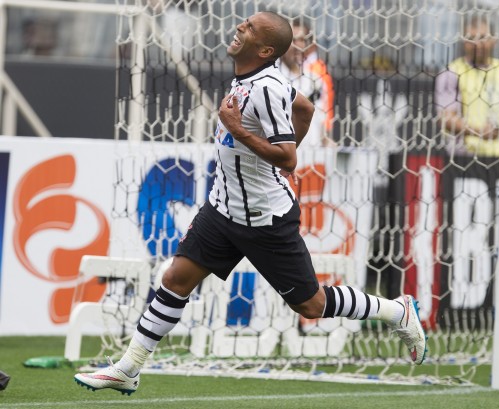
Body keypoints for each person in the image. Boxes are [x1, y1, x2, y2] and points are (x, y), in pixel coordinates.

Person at [74, 11, 427, 395]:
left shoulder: (267, 90)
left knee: (311, 305)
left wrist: (238, 130)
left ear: (264, 49)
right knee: (176, 279)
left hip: (264, 218)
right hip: (222, 208)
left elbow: (288, 157)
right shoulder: (248, 78)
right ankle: (129, 368)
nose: (239, 27)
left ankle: (397, 311)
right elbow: (305, 108)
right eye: (244, 22)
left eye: (249, 28)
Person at [434, 14, 499, 158]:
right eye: (471, 38)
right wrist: (478, 132)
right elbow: (446, 118)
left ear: (494, 40)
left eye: (482, 37)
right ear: (463, 41)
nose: (477, 44)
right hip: (466, 159)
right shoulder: (452, 72)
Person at [279, 18, 335, 148]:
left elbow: (321, 117)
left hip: (313, 156)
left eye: (302, 40)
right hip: (285, 157)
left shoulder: (315, 79)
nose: (299, 45)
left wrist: (326, 142)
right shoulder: (273, 79)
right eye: (293, 40)